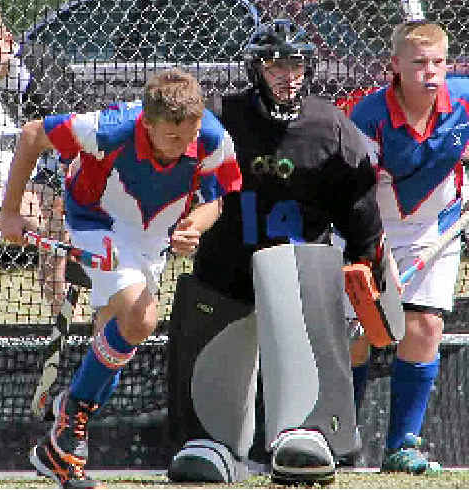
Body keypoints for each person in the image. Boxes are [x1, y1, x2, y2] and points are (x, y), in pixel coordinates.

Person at [164, 19, 386, 485]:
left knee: (302, 300)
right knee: (213, 319)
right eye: (275, 64)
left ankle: (305, 430)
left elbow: (360, 204)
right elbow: (179, 175)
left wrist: (366, 261)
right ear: (256, 69)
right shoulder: (220, 117)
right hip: (227, 265)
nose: (288, 75)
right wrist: (174, 224)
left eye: (296, 64)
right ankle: (213, 440)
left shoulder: (330, 125)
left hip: (298, 273)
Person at [0, 68, 241, 489]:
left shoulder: (212, 138)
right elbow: (33, 134)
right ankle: (69, 423)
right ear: (148, 123)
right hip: (98, 223)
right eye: (172, 138)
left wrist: (194, 227)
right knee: (142, 318)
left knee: (113, 343)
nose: (182, 148)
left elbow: (215, 200)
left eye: (189, 137)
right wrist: (10, 211)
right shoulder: (108, 129)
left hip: (154, 237)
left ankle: (59, 447)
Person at [347, 20, 469, 474]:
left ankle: (403, 445)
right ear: (395, 66)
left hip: (435, 228)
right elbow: (356, 194)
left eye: (439, 62)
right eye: (420, 63)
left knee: (425, 326)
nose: (431, 72)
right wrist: (375, 252)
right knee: (358, 334)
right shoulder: (368, 118)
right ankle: (342, 438)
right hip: (371, 227)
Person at [0, 0, 80, 327]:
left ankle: (78, 253)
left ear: (8, 41)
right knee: (49, 268)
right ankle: (70, 333)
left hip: (87, 159)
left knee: (51, 241)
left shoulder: (36, 71)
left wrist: (70, 197)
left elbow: (73, 135)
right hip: (52, 162)